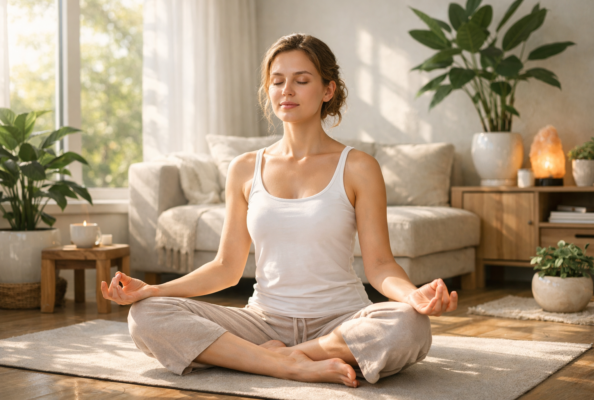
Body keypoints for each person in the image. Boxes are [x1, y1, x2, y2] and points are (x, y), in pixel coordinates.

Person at [101, 33, 458, 388]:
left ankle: (278, 356)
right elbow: (226, 268)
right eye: (277, 81)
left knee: (410, 325)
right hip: (263, 323)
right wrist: (153, 291)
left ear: (328, 90)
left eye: (301, 81)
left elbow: (380, 266)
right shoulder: (244, 168)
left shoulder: (358, 167)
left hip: (340, 321)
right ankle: (289, 365)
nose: (287, 90)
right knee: (146, 315)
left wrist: (413, 295)